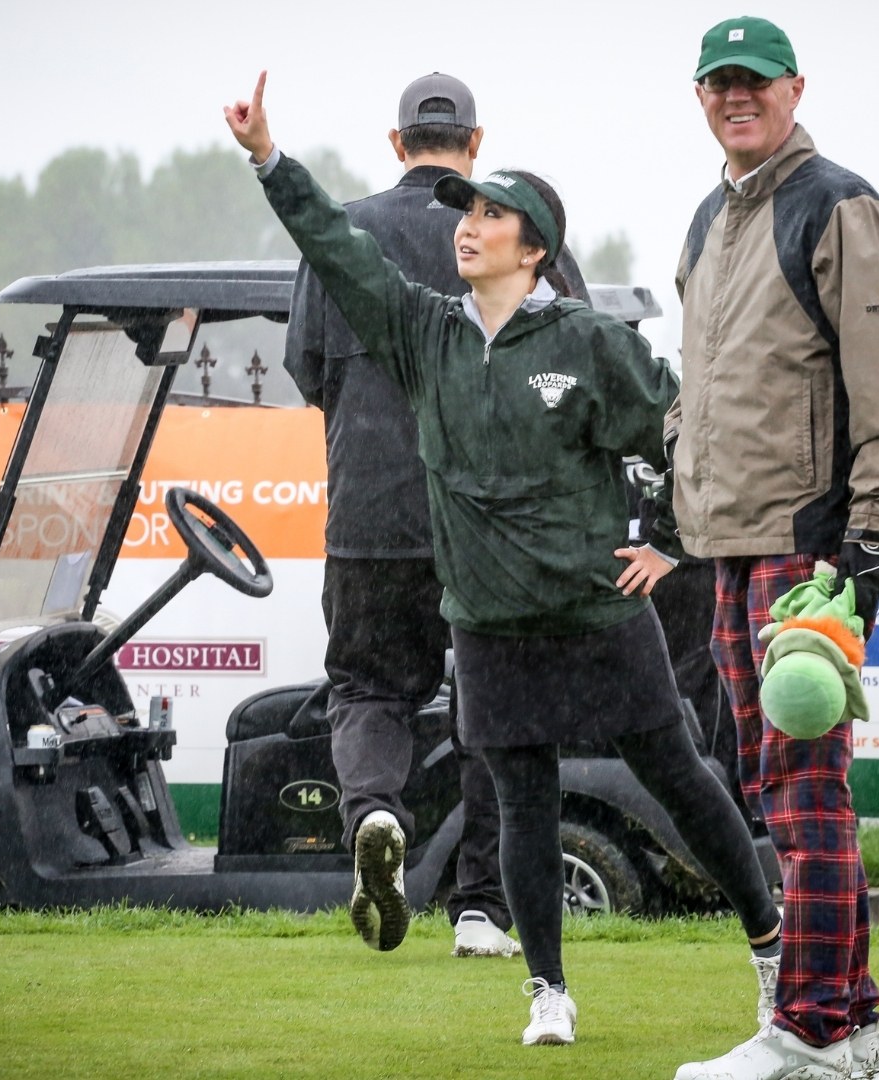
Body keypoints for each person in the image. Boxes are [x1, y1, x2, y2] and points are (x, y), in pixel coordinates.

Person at [226, 71, 782, 1052]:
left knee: (682, 778)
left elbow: (691, 441)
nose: (466, 225)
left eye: (488, 214)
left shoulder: (590, 341)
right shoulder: (424, 334)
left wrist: (669, 542)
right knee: (521, 801)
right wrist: (270, 158)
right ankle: (548, 991)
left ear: (535, 250)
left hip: (597, 614)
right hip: (486, 624)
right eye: (463, 211)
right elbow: (336, 247)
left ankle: (773, 949)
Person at [666, 16, 879, 1080]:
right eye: (718, 83)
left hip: (811, 549)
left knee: (804, 789)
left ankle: (815, 1030)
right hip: (729, 544)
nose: (737, 97)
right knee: (781, 791)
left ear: (793, 89)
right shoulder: (706, 221)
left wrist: (871, 537)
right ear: (700, 98)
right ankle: (852, 1025)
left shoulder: (839, 205)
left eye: (754, 81)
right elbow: (707, 388)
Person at [283, 73, 588, 960]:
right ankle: (482, 908)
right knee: (493, 709)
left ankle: (376, 811)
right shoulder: (510, 227)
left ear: (396, 142)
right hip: (488, 522)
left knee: (370, 688)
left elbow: (309, 369)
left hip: (370, 516)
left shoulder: (344, 234)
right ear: (476, 143)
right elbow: (571, 360)